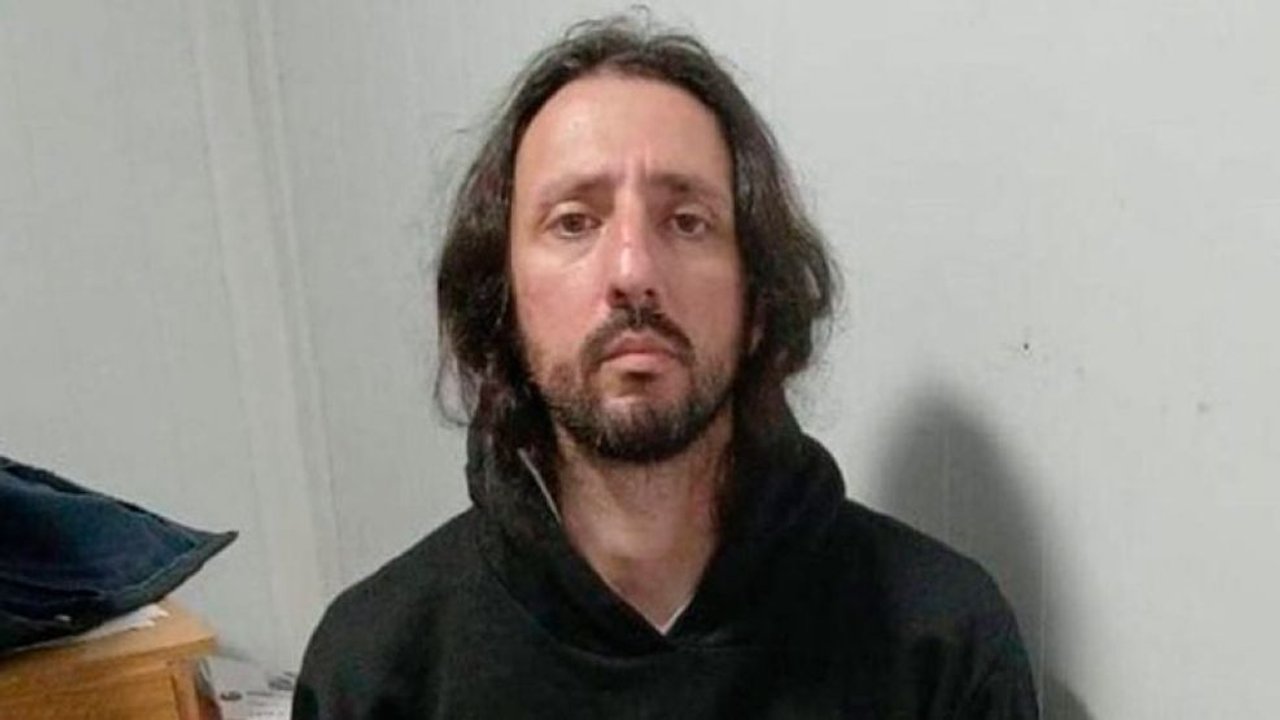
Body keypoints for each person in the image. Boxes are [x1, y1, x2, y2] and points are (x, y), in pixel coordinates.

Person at [294, 14, 1038, 719]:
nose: (633, 272)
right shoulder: (378, 669)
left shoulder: (940, 642)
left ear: (757, 299)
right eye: (574, 222)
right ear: (503, 299)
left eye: (687, 222)